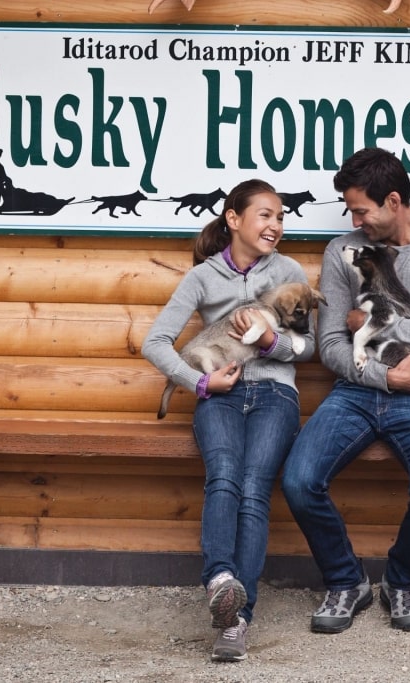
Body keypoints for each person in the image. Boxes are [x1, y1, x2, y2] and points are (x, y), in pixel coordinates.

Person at [281, 147, 410, 633]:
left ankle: (402, 579)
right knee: (298, 482)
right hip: (356, 389)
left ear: (393, 201)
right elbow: (330, 343)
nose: (355, 218)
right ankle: (347, 581)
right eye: (351, 210)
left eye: (361, 209)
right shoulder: (341, 251)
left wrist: (367, 321)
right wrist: (385, 375)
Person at [142, 179, 316, 663]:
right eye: (265, 215)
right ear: (233, 219)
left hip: (276, 394)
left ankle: (237, 619)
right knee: (224, 477)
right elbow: (154, 343)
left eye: (281, 217)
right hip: (220, 393)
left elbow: (310, 347)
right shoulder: (202, 277)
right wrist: (200, 384)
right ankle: (222, 582)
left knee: (254, 486)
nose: (276, 225)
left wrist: (268, 345)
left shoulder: (288, 271)